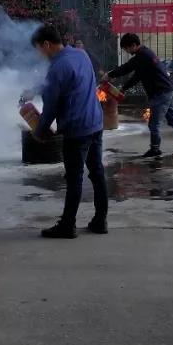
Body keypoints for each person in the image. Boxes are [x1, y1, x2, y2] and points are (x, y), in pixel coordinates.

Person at [31, 25, 108, 239]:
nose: (39, 54)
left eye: (38, 49)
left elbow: (51, 107)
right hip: (95, 123)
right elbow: (71, 84)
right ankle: (100, 221)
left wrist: (40, 131)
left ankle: (67, 225)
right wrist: (36, 89)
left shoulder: (57, 67)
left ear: (47, 44)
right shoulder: (81, 55)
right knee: (97, 173)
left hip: (77, 129)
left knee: (74, 178)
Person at [106, 33, 173, 158]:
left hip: (161, 93)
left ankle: (155, 149)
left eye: (126, 48)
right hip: (167, 90)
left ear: (133, 45)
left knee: (154, 123)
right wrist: (124, 88)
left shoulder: (142, 55)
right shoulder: (146, 53)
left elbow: (127, 68)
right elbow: (138, 76)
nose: (126, 51)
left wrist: (110, 75)